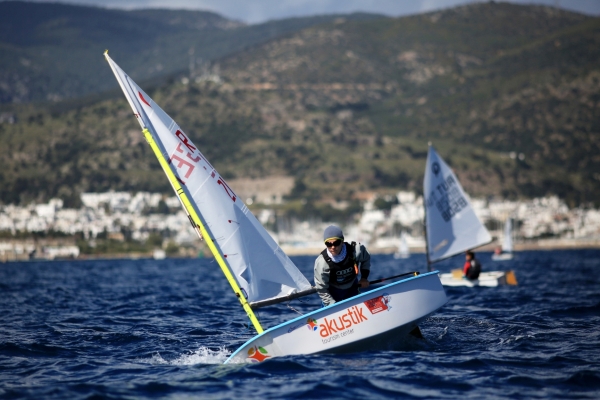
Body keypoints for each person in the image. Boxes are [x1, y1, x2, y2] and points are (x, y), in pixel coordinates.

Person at [314, 225, 371, 306]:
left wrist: (364, 278)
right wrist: (332, 305)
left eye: (336, 243)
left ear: (342, 241)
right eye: (328, 244)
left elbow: (366, 259)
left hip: (353, 288)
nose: (333, 247)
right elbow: (321, 288)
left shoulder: (356, 250)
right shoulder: (322, 263)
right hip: (332, 294)